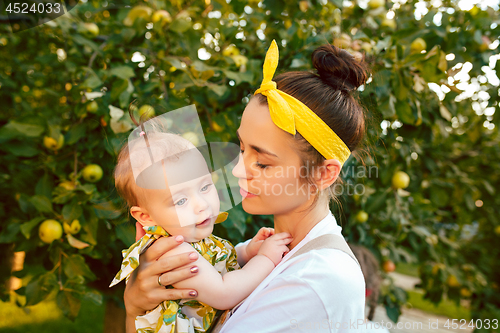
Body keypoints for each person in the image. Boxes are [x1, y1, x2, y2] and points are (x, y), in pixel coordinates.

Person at [124, 40, 371, 332]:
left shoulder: (317, 281)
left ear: (324, 173)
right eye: (242, 149)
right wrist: (136, 307)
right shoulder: (272, 252)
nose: (239, 170)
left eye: (263, 163)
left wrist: (134, 310)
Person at [111, 131, 292, 333]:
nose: (201, 204)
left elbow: (212, 262)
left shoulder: (185, 237)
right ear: (146, 217)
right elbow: (224, 293)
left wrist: (246, 252)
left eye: (205, 187)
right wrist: (266, 258)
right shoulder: (172, 253)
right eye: (180, 201)